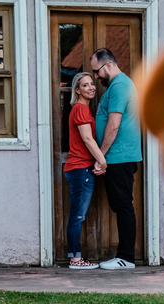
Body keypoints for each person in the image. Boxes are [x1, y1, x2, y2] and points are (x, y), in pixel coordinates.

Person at [90, 48, 141, 270]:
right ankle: (124, 256)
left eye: (97, 71)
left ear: (108, 65)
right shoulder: (116, 86)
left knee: (123, 205)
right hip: (117, 156)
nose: (95, 77)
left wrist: (100, 155)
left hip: (119, 156)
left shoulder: (120, 86)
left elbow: (114, 124)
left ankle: (126, 258)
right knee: (120, 205)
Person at [64, 73, 105, 269]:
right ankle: (75, 259)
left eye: (92, 84)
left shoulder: (83, 110)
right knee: (77, 215)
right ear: (77, 90)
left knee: (77, 214)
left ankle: (76, 257)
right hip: (80, 169)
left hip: (81, 169)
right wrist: (102, 161)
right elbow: (88, 139)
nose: (90, 88)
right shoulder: (80, 109)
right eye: (85, 85)